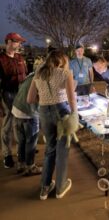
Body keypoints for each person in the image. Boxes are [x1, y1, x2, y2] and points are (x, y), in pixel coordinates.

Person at [27, 50, 78, 200]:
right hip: (61, 111)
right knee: (62, 149)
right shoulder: (65, 73)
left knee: (50, 148)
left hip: (43, 111)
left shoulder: (38, 72)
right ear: (62, 61)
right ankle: (60, 188)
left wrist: (44, 100)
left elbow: (30, 99)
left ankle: (45, 187)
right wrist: (74, 114)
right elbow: (71, 98)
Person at [0, 32, 27, 168]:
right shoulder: (1, 59)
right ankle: (7, 155)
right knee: (9, 123)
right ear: (9, 42)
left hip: (21, 94)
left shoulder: (20, 57)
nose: (19, 44)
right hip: (8, 94)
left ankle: (22, 150)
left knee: (21, 122)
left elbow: (25, 75)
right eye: (17, 42)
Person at [12, 72, 42, 176]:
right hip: (29, 113)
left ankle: (21, 164)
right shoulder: (43, 78)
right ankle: (30, 166)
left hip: (16, 110)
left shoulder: (31, 75)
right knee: (31, 141)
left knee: (22, 140)